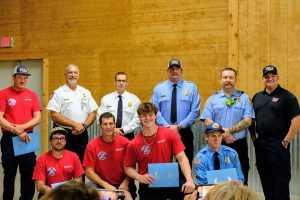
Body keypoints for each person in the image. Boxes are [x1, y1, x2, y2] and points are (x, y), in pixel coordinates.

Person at [124, 102, 195, 200]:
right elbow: (127, 167)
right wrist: (139, 177)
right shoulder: (133, 143)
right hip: (147, 184)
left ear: (156, 116)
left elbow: (182, 159)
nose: (148, 118)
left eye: (150, 115)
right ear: (139, 118)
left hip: (169, 181)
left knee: (188, 191)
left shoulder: (170, 134)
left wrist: (189, 180)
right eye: (144, 115)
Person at [249, 65, 300, 200]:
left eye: (273, 76)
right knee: (266, 182)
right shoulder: (257, 97)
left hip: (278, 144)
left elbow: (296, 121)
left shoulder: (288, 97)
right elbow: (251, 120)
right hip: (261, 145)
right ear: (262, 79)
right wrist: (254, 139)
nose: (270, 79)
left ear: (277, 77)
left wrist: (285, 141)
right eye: (267, 77)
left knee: (281, 183)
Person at [200, 67, 254, 184]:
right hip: (217, 144)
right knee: (217, 180)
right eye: (225, 77)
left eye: (231, 77)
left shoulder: (244, 98)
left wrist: (228, 131)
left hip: (239, 145)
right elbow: (207, 120)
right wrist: (224, 134)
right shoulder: (212, 99)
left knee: (241, 179)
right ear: (220, 80)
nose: (227, 80)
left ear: (235, 80)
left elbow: (248, 120)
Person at [0, 65, 42, 200]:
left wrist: (22, 128)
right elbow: (0, 117)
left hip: (27, 138)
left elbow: (38, 118)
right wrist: (15, 130)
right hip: (9, 138)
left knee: (29, 173)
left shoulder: (32, 95)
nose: (23, 80)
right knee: (9, 174)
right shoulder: (4, 94)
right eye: (20, 77)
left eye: (25, 78)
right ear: (13, 78)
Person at [46, 64, 98, 172]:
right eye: (70, 72)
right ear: (65, 75)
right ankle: (64, 189)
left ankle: (79, 188)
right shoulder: (58, 92)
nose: (73, 75)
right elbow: (54, 115)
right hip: (63, 134)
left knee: (81, 165)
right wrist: (75, 125)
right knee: (62, 165)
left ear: (78, 75)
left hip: (81, 133)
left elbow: (93, 112)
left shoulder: (85, 92)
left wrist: (83, 126)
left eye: (75, 73)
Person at [150, 58, 200, 166]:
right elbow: (154, 111)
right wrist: (168, 127)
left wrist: (179, 127)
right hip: (163, 132)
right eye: (171, 69)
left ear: (181, 71)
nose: (174, 71)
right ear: (167, 72)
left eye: (177, 69)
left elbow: (195, 111)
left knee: (184, 166)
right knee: (163, 166)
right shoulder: (159, 88)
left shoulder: (191, 87)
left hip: (184, 132)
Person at [83, 112, 134, 199]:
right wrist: (106, 185)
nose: (108, 127)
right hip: (101, 183)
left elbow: (132, 166)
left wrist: (126, 182)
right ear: (100, 126)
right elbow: (89, 172)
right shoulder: (92, 145)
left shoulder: (125, 142)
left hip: (122, 183)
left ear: (115, 125)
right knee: (87, 188)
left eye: (111, 123)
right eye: (105, 124)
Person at [32, 127, 85, 198]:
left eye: (62, 139)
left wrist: (68, 191)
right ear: (50, 141)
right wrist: (57, 193)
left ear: (65, 141)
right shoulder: (42, 159)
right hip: (49, 195)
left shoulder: (73, 156)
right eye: (55, 138)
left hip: (67, 194)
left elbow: (79, 180)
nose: (59, 141)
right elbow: (39, 186)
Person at [97, 71, 141, 140]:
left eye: (123, 81)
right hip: (109, 134)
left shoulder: (134, 100)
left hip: (127, 135)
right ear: (114, 83)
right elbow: (100, 118)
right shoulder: (106, 99)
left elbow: (137, 119)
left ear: (127, 83)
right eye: (119, 80)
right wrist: (112, 129)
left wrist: (123, 130)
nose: (121, 83)